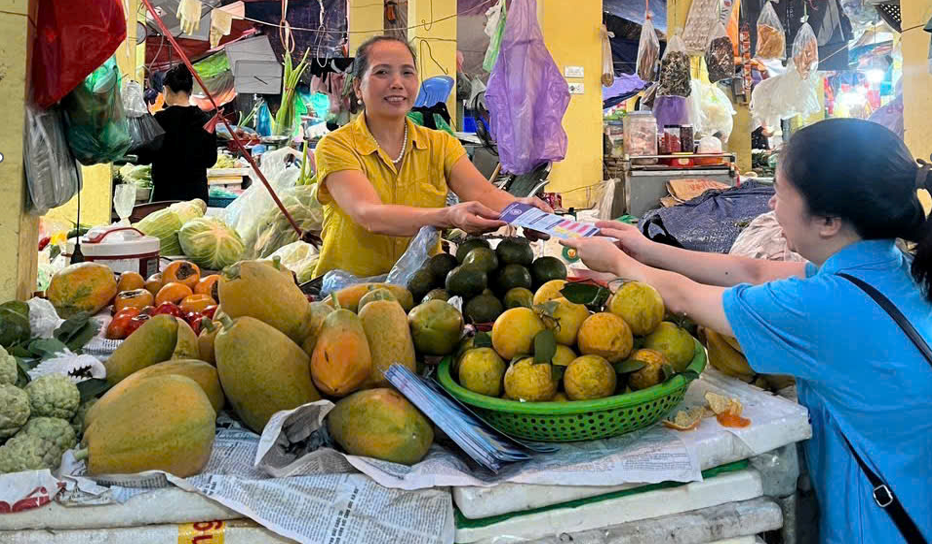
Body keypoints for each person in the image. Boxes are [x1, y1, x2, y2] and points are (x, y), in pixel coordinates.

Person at [563, 119, 931, 544]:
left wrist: (619, 267)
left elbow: (685, 300)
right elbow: (750, 271)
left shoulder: (823, 307)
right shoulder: (890, 267)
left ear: (828, 220)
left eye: (780, 191)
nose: (771, 204)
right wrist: (645, 248)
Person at [313, 35, 550, 278]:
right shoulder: (336, 146)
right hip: (345, 296)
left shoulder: (440, 144)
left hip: (423, 295)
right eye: (382, 72)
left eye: (407, 73)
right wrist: (447, 217)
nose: (397, 83)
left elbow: (483, 194)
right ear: (357, 87)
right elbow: (369, 214)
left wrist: (521, 209)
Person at [136, 64, 217, 202]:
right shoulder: (205, 120)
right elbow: (210, 161)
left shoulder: (159, 120)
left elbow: (144, 157)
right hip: (196, 198)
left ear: (165, 89)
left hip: (166, 196)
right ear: (190, 90)